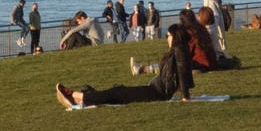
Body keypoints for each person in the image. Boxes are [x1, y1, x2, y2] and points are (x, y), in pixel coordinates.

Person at [57, 24, 194, 108]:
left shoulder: (179, 50)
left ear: (175, 37)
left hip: (155, 93)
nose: (167, 38)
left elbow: (182, 74)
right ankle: (81, 97)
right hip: (153, 90)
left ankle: (76, 96)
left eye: (168, 35)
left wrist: (185, 97)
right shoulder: (179, 50)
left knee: (118, 93)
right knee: (118, 91)